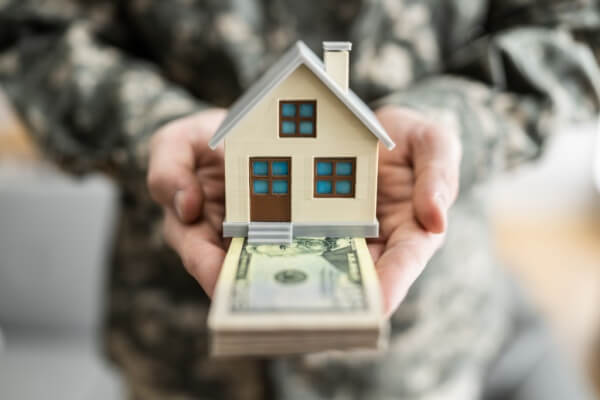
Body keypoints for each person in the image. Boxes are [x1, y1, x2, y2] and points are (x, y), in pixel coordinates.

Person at [1, 1, 599, 398]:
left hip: (415, 350)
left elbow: (578, 25)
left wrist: (456, 121)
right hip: (178, 343)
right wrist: (153, 126)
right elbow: (28, 29)